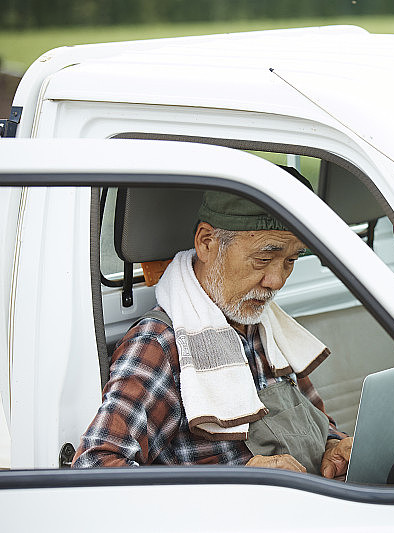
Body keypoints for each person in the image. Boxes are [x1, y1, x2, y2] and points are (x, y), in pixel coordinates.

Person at [72, 186, 353, 479]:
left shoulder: (266, 325)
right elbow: (94, 467)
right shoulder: (160, 345)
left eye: (291, 261)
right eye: (263, 259)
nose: (277, 280)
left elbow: (313, 420)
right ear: (207, 243)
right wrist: (231, 482)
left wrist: (333, 444)